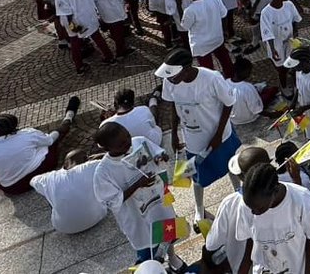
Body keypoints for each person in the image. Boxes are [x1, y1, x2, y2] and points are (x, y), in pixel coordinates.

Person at [157, 50, 239, 221]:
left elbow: (228, 103)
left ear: (187, 69)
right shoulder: (170, 81)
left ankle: (238, 192)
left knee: (231, 165)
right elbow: (173, 106)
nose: (170, 80)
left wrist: (218, 135)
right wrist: (174, 134)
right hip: (193, 139)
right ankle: (199, 209)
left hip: (221, 136)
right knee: (197, 176)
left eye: (173, 76)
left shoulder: (212, 78)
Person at [92, 122, 181, 267]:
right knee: (147, 247)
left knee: (167, 232)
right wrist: (137, 185)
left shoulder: (139, 142)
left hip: (158, 202)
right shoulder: (103, 172)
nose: (128, 143)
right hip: (137, 217)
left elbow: (158, 155)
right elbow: (113, 201)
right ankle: (151, 267)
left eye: (128, 136)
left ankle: (172, 256)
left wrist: (160, 158)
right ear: (107, 148)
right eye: (121, 144)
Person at [236, 163, 310, 274]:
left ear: (275, 192)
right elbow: (249, 239)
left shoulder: (302, 199)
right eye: (250, 208)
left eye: (259, 208)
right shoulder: (247, 205)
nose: (254, 212)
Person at [0, 98, 80, 195]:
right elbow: (50, 140)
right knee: (51, 141)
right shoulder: (28, 134)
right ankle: (68, 118)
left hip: (13, 189)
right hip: (41, 171)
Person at [202, 146, 271, 274]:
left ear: (241, 177)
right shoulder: (287, 191)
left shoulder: (230, 203)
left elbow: (212, 244)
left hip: (244, 267)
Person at [54, 0, 118, 73]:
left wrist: (73, 26)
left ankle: (79, 66)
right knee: (97, 36)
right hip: (89, 16)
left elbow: (66, 12)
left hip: (72, 21)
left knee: (75, 42)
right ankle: (109, 57)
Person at [30, 150, 107, 234]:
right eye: (86, 157)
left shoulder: (50, 178)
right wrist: (96, 156)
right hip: (98, 217)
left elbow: (33, 181)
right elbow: (111, 156)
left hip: (64, 228)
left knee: (49, 190)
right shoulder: (91, 167)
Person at [178, 0, 234, 78]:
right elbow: (224, 15)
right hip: (217, 38)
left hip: (201, 46)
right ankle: (231, 78)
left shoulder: (189, 10)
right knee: (225, 61)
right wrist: (224, 31)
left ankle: (212, 83)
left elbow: (184, 26)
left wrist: (178, 6)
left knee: (207, 71)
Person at [261, 0, 303, 97]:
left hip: (290, 41)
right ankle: (283, 86)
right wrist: (273, 49)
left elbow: (295, 19)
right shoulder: (266, 13)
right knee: (281, 68)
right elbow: (267, 33)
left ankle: (296, 84)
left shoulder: (289, 5)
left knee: (293, 63)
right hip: (277, 44)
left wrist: (295, 31)